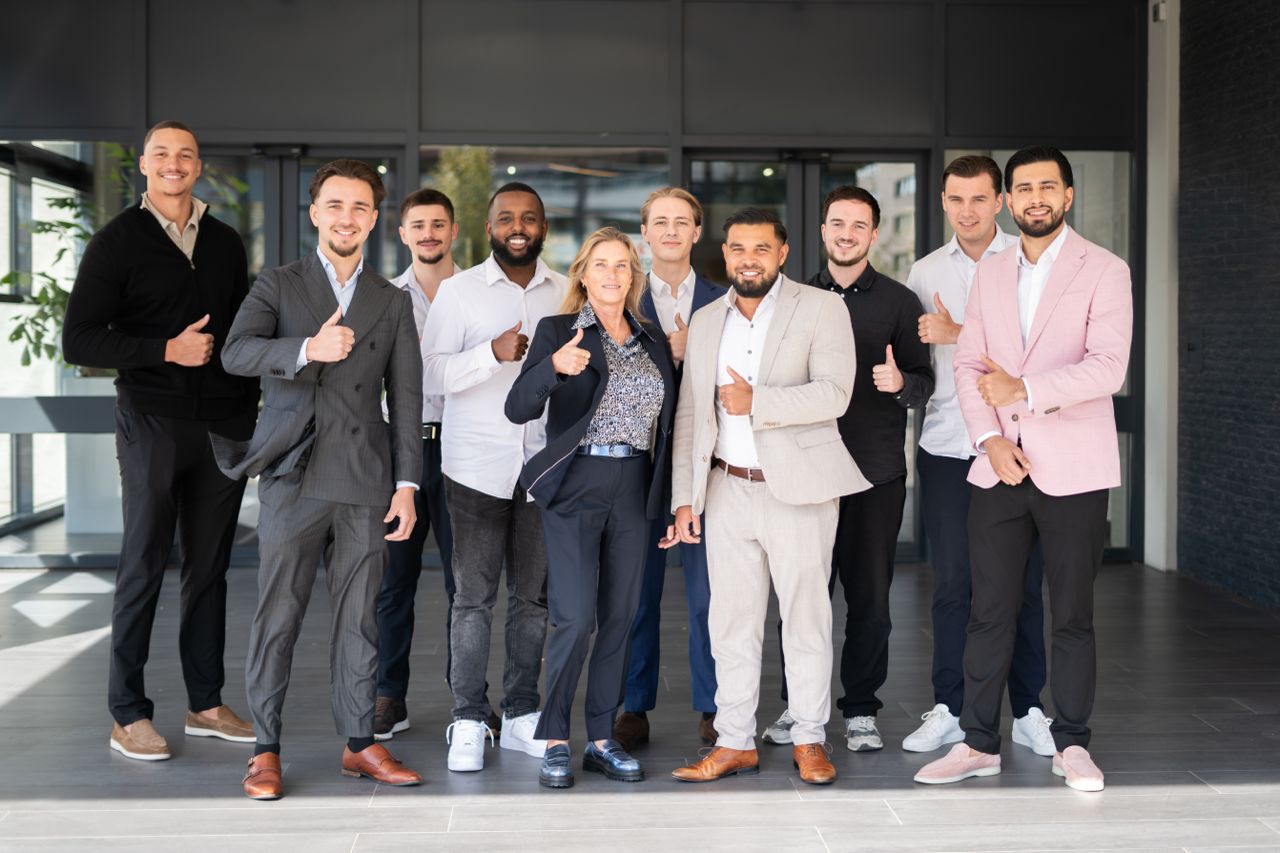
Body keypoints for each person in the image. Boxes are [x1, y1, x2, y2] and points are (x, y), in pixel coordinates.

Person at [914, 147, 1132, 792]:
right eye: (1024, 189)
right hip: (1000, 466)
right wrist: (988, 438)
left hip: (1075, 468)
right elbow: (968, 363)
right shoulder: (991, 271)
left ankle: (1073, 744)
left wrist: (1026, 392)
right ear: (1009, 200)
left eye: (1048, 187)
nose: (1036, 198)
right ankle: (978, 742)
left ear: (1068, 196)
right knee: (988, 611)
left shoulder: (1105, 269)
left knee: (1071, 614)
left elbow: (1108, 367)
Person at [217, 159, 424, 799]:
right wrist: (308, 348)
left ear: (374, 218)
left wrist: (408, 485)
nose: (347, 217)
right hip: (293, 476)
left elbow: (407, 398)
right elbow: (235, 352)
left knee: (361, 620)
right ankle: (265, 750)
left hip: (364, 479)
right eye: (335, 205)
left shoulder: (391, 299)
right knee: (278, 616)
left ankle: (360, 743)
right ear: (315, 213)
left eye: (360, 207)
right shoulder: (279, 284)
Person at [63, 120, 260, 762]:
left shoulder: (226, 242)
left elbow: (242, 336)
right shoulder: (117, 241)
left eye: (185, 155)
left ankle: (206, 703)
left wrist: (249, 418)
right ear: (144, 165)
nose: (174, 164)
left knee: (210, 570)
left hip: (223, 427)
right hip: (152, 420)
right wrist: (164, 350)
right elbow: (79, 339)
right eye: (161, 154)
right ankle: (128, 713)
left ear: (198, 166)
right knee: (144, 562)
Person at [668, 208, 868, 787]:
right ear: (724, 254)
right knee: (730, 623)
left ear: (782, 253)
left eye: (761, 248)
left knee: (806, 619)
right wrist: (685, 499)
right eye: (737, 249)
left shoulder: (822, 307)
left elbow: (836, 393)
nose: (748, 259)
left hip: (798, 490)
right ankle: (734, 742)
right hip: (726, 487)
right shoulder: (707, 319)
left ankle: (809, 738)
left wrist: (758, 401)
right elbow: (690, 414)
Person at [763, 186, 934, 753]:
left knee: (870, 602)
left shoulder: (900, 302)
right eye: (838, 223)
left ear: (873, 235)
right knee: (801, 599)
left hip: (872, 474)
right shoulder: (791, 299)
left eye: (859, 225)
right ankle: (798, 705)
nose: (847, 233)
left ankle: (861, 708)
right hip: (805, 472)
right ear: (823, 230)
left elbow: (924, 382)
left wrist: (901, 383)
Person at [506, 227, 677, 789]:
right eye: (600, 264)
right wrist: (553, 368)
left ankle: (602, 739)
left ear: (633, 276)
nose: (612, 274)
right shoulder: (559, 330)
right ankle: (556, 739)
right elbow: (517, 407)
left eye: (622, 265)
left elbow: (669, 426)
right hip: (576, 483)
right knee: (575, 617)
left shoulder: (651, 338)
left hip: (635, 484)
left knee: (621, 616)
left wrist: (672, 501)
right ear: (582, 273)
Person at [904, 155, 1052, 756]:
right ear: (944, 202)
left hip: (1018, 444)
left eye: (980, 198)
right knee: (954, 584)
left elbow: (1036, 353)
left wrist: (958, 332)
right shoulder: (923, 271)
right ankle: (950, 706)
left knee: (1023, 583)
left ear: (1001, 203)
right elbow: (918, 364)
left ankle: (1030, 709)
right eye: (956, 199)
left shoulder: (1029, 260)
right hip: (947, 444)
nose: (968, 211)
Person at [421, 182, 567, 772]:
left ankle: (522, 712)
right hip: (475, 467)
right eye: (506, 217)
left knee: (532, 599)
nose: (518, 226)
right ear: (488, 228)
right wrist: (491, 353)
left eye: (529, 218)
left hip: (542, 467)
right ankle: (468, 718)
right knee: (473, 599)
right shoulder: (458, 292)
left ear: (543, 228)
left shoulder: (566, 291)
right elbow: (430, 374)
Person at [614, 188, 721, 752]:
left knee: (710, 595)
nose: (672, 230)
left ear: (697, 232)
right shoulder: (622, 297)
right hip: (639, 464)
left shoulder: (725, 300)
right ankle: (633, 705)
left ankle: (715, 706)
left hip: (707, 466)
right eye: (661, 221)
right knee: (637, 594)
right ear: (645, 233)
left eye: (682, 221)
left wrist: (693, 351)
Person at [373, 188, 461, 742]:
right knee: (393, 582)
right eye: (418, 225)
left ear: (454, 231)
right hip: (399, 450)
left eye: (438, 224)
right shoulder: (384, 298)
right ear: (403, 234)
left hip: (462, 449)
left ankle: (467, 700)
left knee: (465, 585)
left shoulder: (476, 294)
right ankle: (389, 696)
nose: (428, 233)